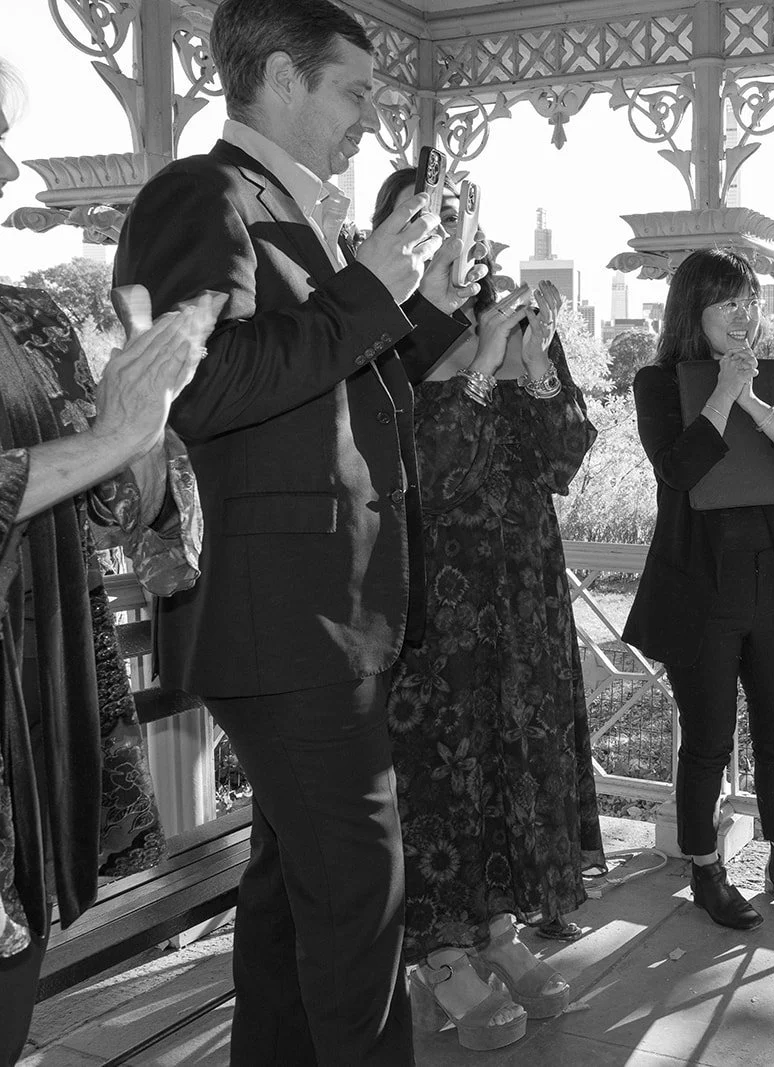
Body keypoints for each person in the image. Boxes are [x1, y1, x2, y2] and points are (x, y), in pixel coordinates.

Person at [112, 0, 487, 1061]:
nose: (372, 115)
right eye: (355, 89)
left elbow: (336, 390)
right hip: (289, 621)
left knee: (290, 903)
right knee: (361, 905)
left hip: (336, 617)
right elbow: (204, 385)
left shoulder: (297, 212)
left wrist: (433, 305)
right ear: (281, 75)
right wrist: (369, 286)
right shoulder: (200, 197)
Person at [0, 57, 217, 1059]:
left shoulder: (31, 317)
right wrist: (106, 437)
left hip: (40, 714)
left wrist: (145, 416)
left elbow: (113, 505)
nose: (7, 167)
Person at [371, 171, 602, 1044]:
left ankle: (498, 932)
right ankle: (439, 955)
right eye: (440, 226)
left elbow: (561, 461)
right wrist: (473, 369)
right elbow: (429, 466)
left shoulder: (500, 318)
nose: (463, 244)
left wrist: (536, 364)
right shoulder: (384, 329)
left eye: (467, 226)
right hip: (443, 605)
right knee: (448, 772)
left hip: (524, 595)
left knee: (515, 762)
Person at [622, 248, 774, 931]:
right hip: (701, 594)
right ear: (694, 311)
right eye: (728, 305)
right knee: (707, 741)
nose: (745, 317)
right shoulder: (656, 383)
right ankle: (705, 869)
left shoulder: (773, 375)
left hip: (772, 586)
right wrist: (717, 396)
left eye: (750, 303)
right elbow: (677, 470)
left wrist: (754, 403)